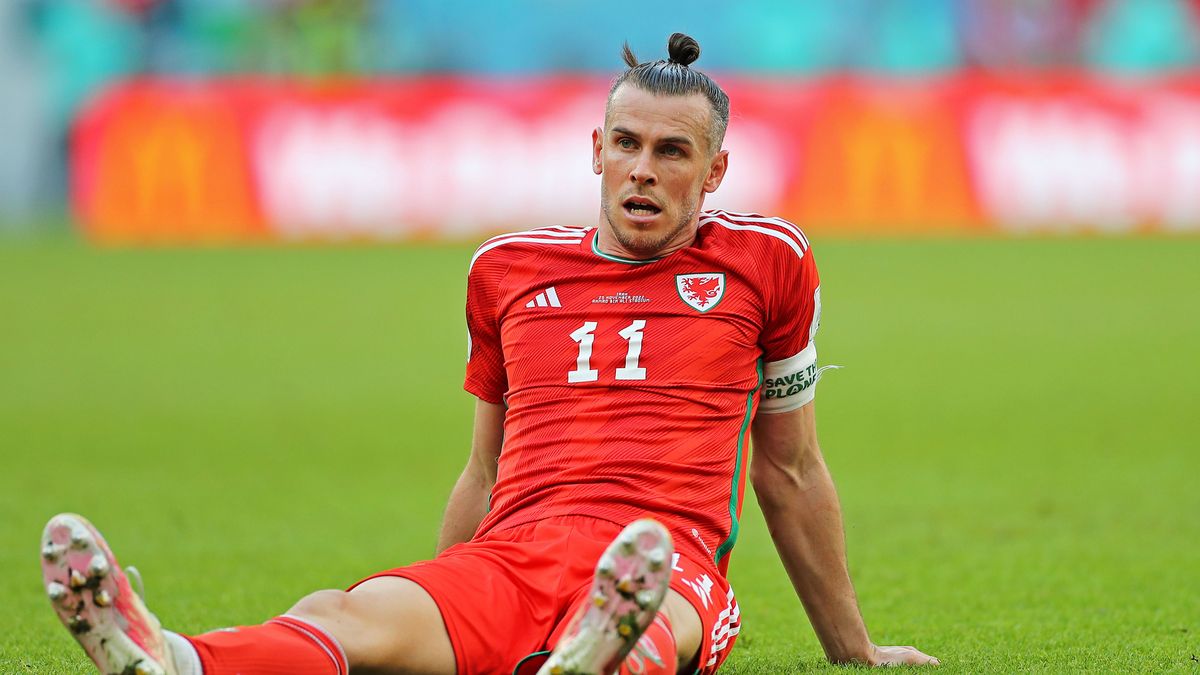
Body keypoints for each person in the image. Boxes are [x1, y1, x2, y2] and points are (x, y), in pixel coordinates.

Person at [40, 33, 939, 675]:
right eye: (625, 144)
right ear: (596, 149)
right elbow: (483, 466)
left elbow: (791, 469)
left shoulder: (768, 261)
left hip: (668, 559)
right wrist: (441, 585)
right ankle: (169, 656)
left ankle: (596, 654)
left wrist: (851, 648)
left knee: (649, 630)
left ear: (714, 173)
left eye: (673, 152)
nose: (642, 170)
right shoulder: (505, 271)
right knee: (342, 616)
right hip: (512, 553)